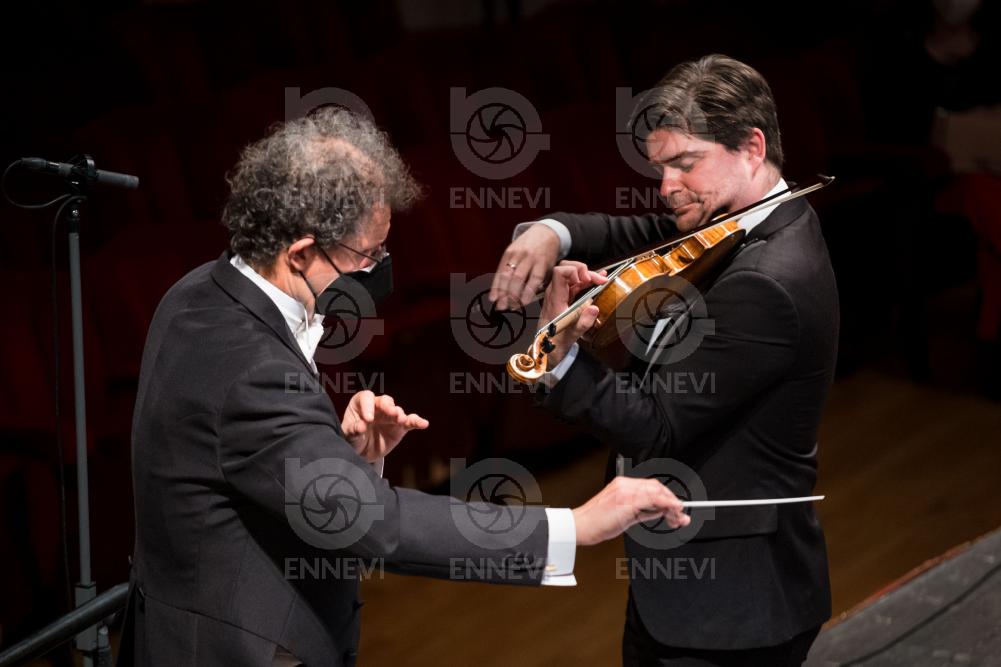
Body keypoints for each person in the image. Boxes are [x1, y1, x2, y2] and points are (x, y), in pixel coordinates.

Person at [118, 107, 690, 667]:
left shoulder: (198, 292)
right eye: (369, 255)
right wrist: (576, 526)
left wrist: (345, 459)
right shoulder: (251, 367)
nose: (380, 269)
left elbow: (255, 470)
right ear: (301, 253)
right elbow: (375, 523)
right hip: (244, 643)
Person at [491, 54, 838, 665]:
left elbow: (656, 427)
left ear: (752, 147)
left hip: (730, 606)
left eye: (684, 163)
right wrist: (552, 231)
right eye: (659, 168)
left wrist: (561, 354)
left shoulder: (767, 280)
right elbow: (631, 231)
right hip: (698, 589)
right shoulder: (743, 218)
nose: (666, 186)